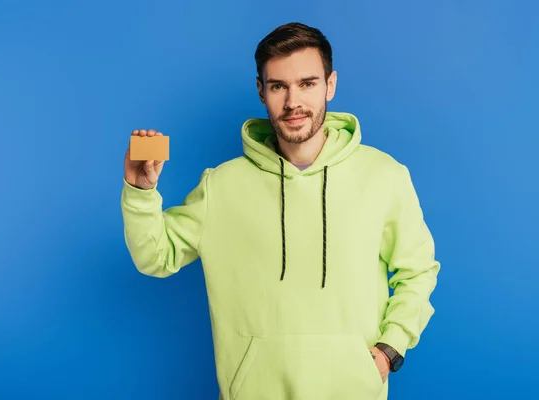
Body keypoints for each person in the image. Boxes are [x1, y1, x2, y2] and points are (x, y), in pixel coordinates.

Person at [121, 22, 440, 400]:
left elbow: (418, 272)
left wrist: (389, 351)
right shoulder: (221, 185)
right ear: (261, 91)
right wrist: (141, 191)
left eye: (307, 83)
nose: (293, 102)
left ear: (330, 85)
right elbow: (156, 257)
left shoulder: (384, 176)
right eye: (278, 86)